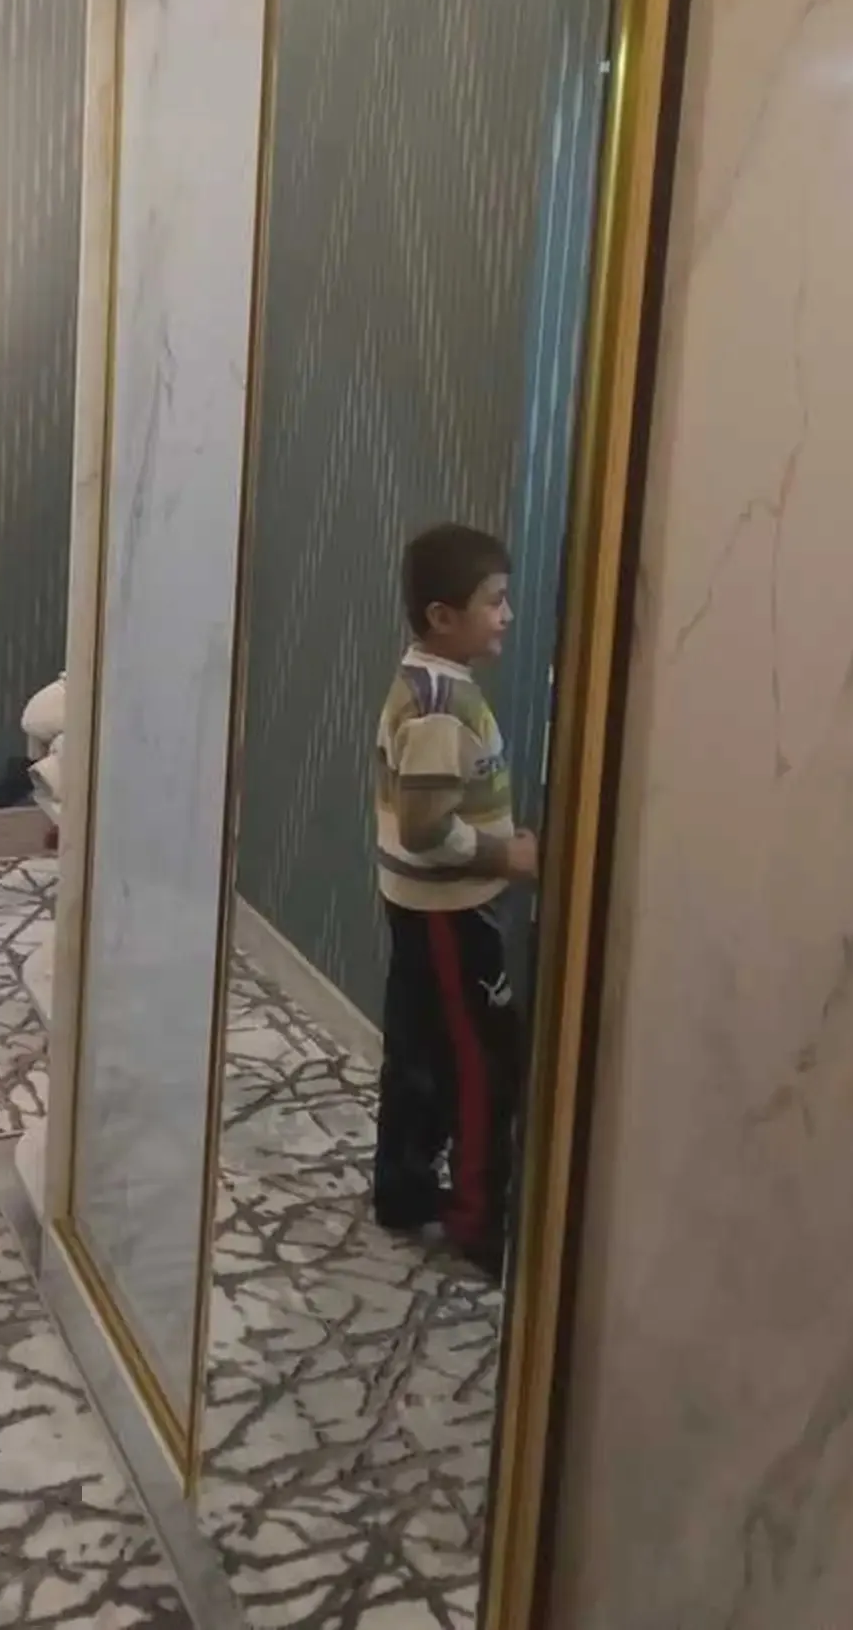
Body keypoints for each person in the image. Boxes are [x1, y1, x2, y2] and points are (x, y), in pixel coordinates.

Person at [371, 522, 537, 1284]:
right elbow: (427, 828)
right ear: (443, 617)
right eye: (494, 602)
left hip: (425, 910)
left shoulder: (432, 685)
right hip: (448, 916)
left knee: (423, 1051)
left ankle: (403, 1190)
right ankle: (477, 1222)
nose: (507, 615)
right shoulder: (442, 707)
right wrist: (509, 855)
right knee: (483, 1060)